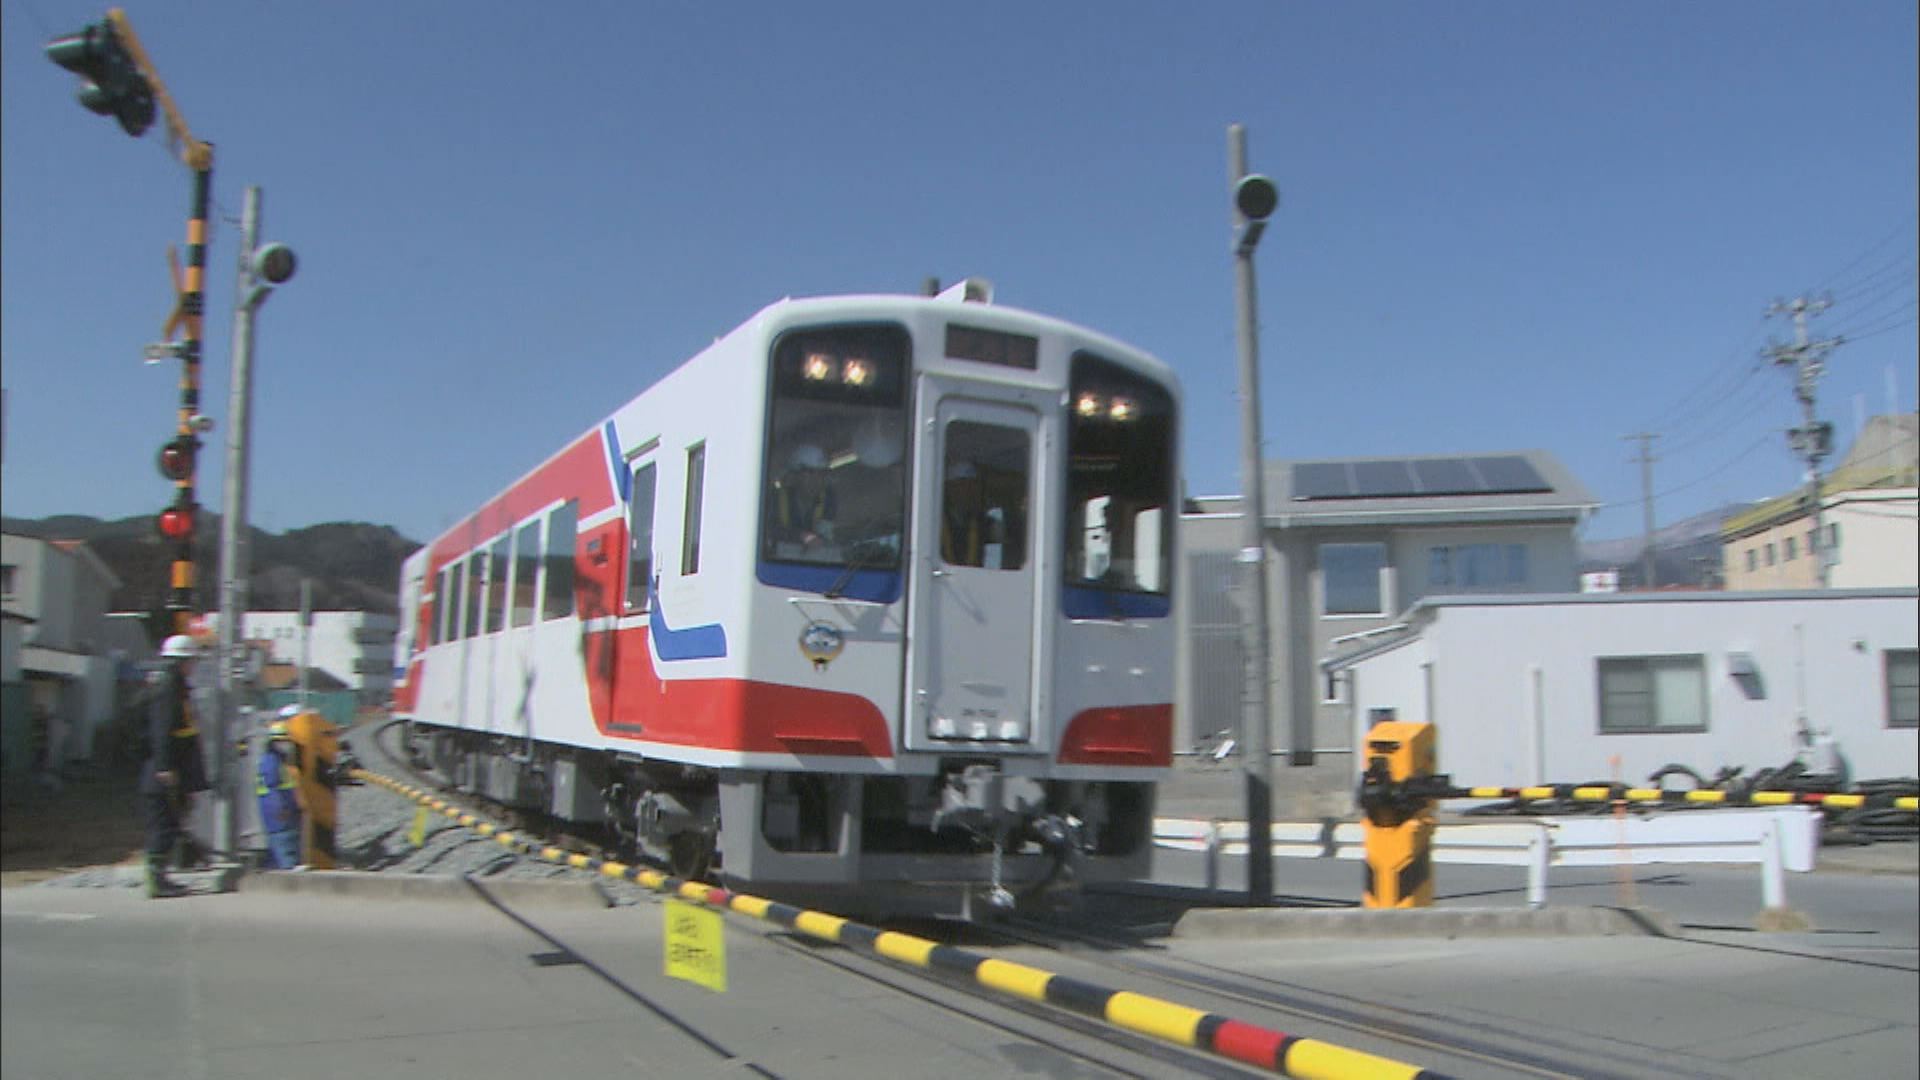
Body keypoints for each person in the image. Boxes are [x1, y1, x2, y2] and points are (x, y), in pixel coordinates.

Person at [140, 634, 211, 898]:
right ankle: (156, 882)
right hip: (164, 774)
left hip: (174, 771)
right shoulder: (168, 688)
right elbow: (162, 730)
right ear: (182, 661)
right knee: (164, 827)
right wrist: (165, 767)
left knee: (170, 824)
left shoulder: (176, 687)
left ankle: (161, 878)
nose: (194, 665)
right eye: (192, 661)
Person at [256, 708, 305, 870]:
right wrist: (281, 808)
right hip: (277, 812)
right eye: (281, 741)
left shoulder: (277, 760)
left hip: (281, 810)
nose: (285, 744)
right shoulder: (271, 761)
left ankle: (277, 871)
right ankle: (288, 871)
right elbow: (273, 786)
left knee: (278, 847)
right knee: (284, 844)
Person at [771, 443, 837, 552]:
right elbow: (767, 531)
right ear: (795, 475)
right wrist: (800, 536)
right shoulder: (777, 499)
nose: (816, 479)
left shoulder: (828, 500)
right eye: (810, 473)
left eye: (822, 474)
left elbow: (829, 535)